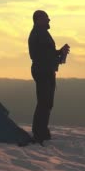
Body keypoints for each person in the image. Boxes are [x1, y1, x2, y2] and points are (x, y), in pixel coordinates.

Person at [28, 10, 70, 144]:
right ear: (39, 19)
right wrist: (59, 55)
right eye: (46, 18)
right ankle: (40, 133)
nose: (49, 20)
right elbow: (42, 56)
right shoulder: (39, 33)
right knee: (44, 102)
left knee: (46, 102)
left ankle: (41, 131)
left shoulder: (40, 33)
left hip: (44, 70)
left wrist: (59, 53)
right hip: (43, 70)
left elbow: (47, 53)